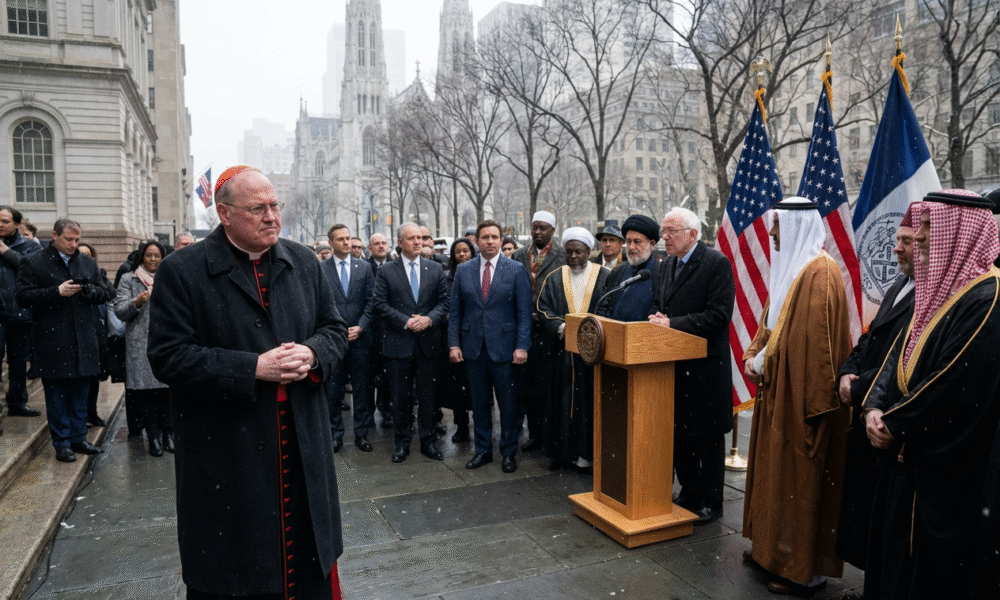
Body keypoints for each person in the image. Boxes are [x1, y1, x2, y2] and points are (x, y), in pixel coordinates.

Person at [146, 166, 348, 599]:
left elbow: (334, 329)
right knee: (238, 569)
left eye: (275, 205)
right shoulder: (182, 270)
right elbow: (167, 356)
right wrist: (252, 367)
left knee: (305, 563)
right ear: (224, 214)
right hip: (229, 452)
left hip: (302, 443)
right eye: (258, 209)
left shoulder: (304, 261)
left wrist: (312, 353)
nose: (271, 217)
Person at [860, 190, 1000, 600]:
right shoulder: (938, 290)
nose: (918, 235)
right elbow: (897, 356)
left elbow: (952, 382)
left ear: (958, 232)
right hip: (906, 454)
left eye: (926, 226)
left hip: (943, 468)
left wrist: (894, 424)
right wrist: (873, 406)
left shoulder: (987, 297)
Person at [742, 197, 851, 595]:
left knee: (798, 482)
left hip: (802, 399)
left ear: (796, 227)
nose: (772, 234)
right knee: (775, 477)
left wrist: (763, 363)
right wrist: (754, 353)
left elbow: (813, 350)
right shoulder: (793, 268)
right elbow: (772, 325)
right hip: (779, 390)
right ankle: (771, 552)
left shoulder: (820, 273)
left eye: (777, 227)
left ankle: (802, 570)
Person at [835, 225, 915, 572]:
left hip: (886, 414)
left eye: (907, 241)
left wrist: (859, 387)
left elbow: (902, 360)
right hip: (868, 406)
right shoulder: (899, 285)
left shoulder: (932, 294)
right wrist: (847, 371)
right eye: (896, 240)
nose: (897, 248)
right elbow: (869, 338)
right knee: (862, 507)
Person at [648, 207, 735, 526]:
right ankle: (689, 490)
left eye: (671, 231)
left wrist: (673, 323)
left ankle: (712, 501)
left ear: (693, 234)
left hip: (706, 368)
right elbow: (663, 303)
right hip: (676, 365)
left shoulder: (716, 263)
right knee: (680, 433)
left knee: (707, 437)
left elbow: (719, 315)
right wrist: (659, 316)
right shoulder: (666, 263)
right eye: (664, 231)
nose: (665, 237)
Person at [17, 219, 113, 463]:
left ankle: (79, 438)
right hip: (52, 341)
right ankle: (62, 444)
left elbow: (106, 292)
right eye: (68, 239)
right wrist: (55, 292)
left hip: (84, 339)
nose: (73, 244)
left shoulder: (87, 262)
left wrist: (90, 291)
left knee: (81, 393)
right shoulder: (34, 261)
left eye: (77, 240)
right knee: (57, 396)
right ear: (54, 235)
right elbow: (23, 297)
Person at [449, 220, 532, 473]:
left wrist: (522, 346)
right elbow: (455, 312)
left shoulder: (516, 269)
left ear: (501, 240)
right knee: (480, 403)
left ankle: (508, 452)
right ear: (476, 240)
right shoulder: (464, 270)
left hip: (505, 349)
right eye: (485, 237)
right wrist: (454, 344)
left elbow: (524, 313)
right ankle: (483, 450)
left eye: (495, 237)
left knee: (508, 404)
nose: (490, 241)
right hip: (473, 348)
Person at [372, 222, 450, 463]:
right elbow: (379, 304)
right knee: (400, 397)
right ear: (399, 243)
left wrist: (429, 319)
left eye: (420, 238)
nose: (418, 242)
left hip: (428, 344)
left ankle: (428, 441)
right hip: (399, 343)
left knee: (428, 396)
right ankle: (402, 443)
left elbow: (444, 303)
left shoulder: (434, 268)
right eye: (411, 238)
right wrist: (406, 321)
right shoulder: (387, 271)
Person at [536, 227, 609, 473]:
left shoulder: (605, 276)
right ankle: (562, 453)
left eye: (578, 251)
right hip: (562, 355)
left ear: (589, 251)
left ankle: (587, 456)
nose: (573, 256)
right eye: (569, 252)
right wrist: (562, 327)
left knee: (589, 404)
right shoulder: (555, 277)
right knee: (561, 402)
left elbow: (611, 308)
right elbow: (543, 309)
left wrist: (592, 332)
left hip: (594, 355)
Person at [510, 211, 565, 452]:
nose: (538, 232)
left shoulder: (563, 255)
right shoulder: (520, 254)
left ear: (552, 230)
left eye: (543, 228)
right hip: (525, 329)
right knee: (527, 385)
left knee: (549, 385)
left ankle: (550, 436)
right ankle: (534, 434)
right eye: (535, 227)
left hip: (550, 329)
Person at [116, 240, 173, 457]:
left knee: (167, 391)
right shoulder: (128, 279)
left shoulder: (170, 276)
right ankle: (153, 438)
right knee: (147, 394)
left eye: (157, 255)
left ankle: (169, 434)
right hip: (141, 345)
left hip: (167, 342)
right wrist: (137, 302)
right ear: (141, 257)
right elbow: (120, 310)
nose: (153, 259)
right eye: (148, 255)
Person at [322, 224, 375, 453]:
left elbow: (371, 301)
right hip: (334, 340)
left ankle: (361, 434)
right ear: (331, 243)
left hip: (360, 339)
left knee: (361, 389)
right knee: (334, 390)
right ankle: (335, 434)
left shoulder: (364, 268)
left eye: (348, 238)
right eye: (340, 239)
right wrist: (337, 329)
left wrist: (361, 326)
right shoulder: (321, 269)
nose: (346, 242)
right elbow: (320, 304)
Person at [0, 206, 41, 421]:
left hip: (20, 311)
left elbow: (31, 270)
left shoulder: (29, 246)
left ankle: (17, 402)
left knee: (18, 361)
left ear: (16, 224)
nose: (0, 225)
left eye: (5, 221)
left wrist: (5, 251)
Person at [440, 238, 477, 443]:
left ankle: (481, 425)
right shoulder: (447, 277)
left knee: (478, 385)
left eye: (466, 250)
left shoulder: (479, 273)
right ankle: (461, 427)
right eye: (458, 251)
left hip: (476, 335)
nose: (462, 254)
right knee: (458, 386)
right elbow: (444, 304)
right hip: (454, 336)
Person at [598, 214, 662, 321]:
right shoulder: (618, 271)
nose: (631, 247)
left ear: (651, 244)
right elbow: (605, 304)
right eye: (628, 241)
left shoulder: (662, 274)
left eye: (637, 242)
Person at [77, 242, 112, 428]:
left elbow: (110, 294)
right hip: (80, 333)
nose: (84, 258)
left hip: (98, 332)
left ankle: (92, 412)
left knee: (95, 377)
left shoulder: (99, 275)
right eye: (80, 254)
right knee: (82, 380)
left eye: (88, 255)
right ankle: (82, 415)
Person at [366, 233, 392, 428]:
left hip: (391, 328)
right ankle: (368, 412)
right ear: (370, 248)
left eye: (384, 243)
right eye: (377, 243)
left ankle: (387, 410)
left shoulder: (395, 266)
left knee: (389, 375)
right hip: (371, 330)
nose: (381, 246)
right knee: (371, 375)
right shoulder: (364, 268)